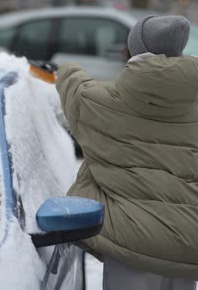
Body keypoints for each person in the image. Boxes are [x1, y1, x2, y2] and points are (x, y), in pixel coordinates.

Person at [56, 15, 198, 290]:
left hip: (131, 242)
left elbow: (75, 89)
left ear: (134, 50)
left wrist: (65, 69)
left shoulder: (101, 103)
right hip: (188, 242)